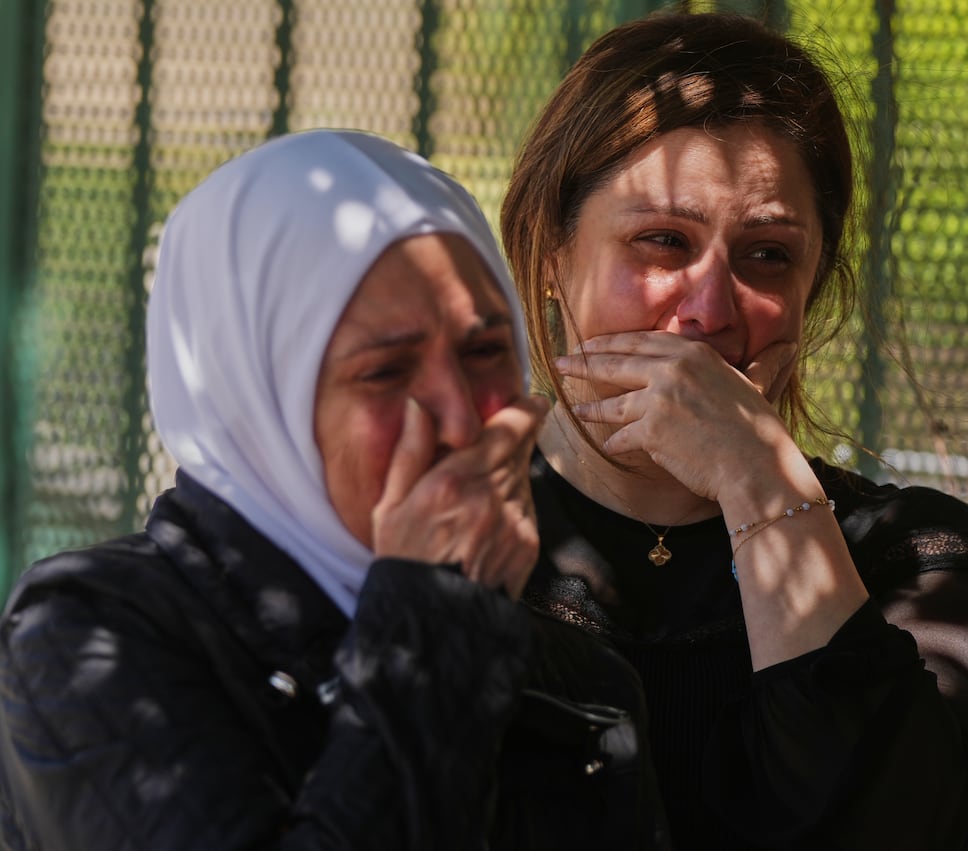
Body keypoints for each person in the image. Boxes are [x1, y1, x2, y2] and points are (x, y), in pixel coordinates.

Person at [0, 130, 668, 850]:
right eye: (385, 372)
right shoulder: (91, 640)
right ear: (258, 403)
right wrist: (434, 618)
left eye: (484, 351)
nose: (458, 416)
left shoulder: (577, 677)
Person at [500, 11, 968, 850]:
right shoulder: (446, 534)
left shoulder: (919, 564)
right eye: (662, 241)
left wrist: (760, 484)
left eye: (768, 254)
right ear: (552, 254)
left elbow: (901, 830)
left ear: (815, 284)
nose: (708, 309)